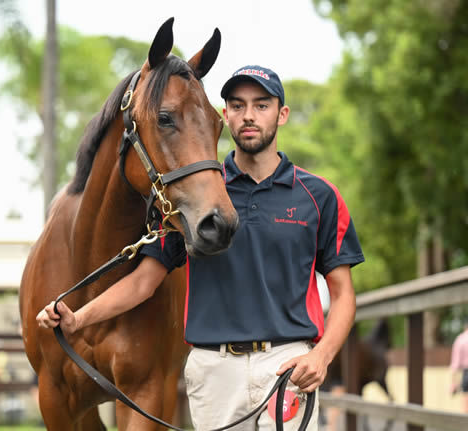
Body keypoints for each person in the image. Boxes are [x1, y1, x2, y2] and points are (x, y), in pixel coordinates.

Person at [36, 65, 364, 430]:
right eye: (237, 106)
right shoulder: (192, 197)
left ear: (282, 114)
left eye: (262, 105)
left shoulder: (319, 196)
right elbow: (143, 281)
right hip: (215, 369)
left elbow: (343, 293)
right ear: (225, 115)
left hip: (287, 365)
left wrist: (322, 355)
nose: (249, 115)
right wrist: (78, 318)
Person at [450, 318, 468, 413]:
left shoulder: (461, 339)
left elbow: (455, 365)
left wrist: (453, 384)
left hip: (467, 373)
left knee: (466, 406)